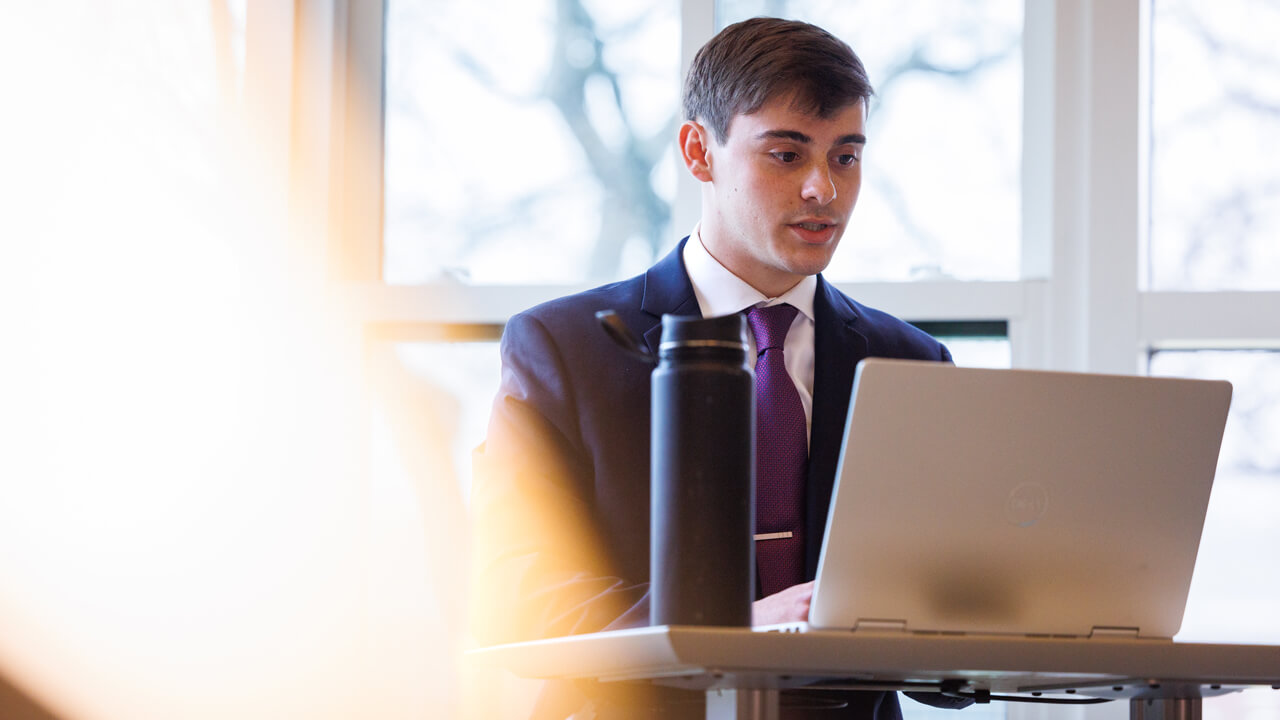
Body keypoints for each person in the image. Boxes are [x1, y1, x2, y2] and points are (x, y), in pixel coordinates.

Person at [472, 17, 969, 720]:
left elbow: (939, 654)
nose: (823, 191)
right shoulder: (563, 348)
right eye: (786, 155)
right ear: (698, 152)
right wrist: (735, 628)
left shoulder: (911, 363)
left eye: (846, 157)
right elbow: (516, 592)